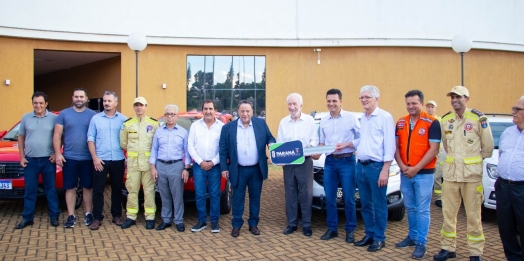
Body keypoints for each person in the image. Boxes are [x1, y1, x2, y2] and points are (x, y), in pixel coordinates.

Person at [433, 86, 494, 261]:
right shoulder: (446, 120)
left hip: (471, 177)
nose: (454, 100)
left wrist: (471, 161)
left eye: (458, 97)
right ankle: (447, 248)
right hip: (451, 176)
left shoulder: (478, 119)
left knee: (474, 215)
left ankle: (475, 253)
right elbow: (446, 145)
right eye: (452, 97)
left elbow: (488, 148)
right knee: (448, 214)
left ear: (467, 98)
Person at [394, 90, 440, 259]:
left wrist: (416, 168)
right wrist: (401, 165)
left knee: (422, 209)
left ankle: (422, 243)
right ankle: (412, 237)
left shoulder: (432, 123)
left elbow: (433, 150)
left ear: (422, 103)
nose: (411, 106)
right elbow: (396, 147)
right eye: (408, 103)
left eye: (414, 103)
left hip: (424, 174)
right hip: (405, 172)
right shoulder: (401, 122)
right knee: (410, 207)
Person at [219, 100, 275, 237]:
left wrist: (273, 145)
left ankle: (253, 224)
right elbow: (223, 149)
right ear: (238, 112)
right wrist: (224, 168)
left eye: (248, 111)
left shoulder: (260, 124)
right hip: (238, 169)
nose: (245, 114)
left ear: (252, 111)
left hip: (256, 169)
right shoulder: (228, 128)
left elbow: (270, 138)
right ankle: (236, 225)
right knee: (237, 198)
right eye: (242, 111)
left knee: (255, 198)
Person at [352, 85, 395, 252]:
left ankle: (379, 238)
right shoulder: (363, 117)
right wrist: (348, 144)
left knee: (379, 204)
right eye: (361, 97)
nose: (363, 100)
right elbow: (363, 141)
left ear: (376, 99)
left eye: (367, 97)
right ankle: (369, 234)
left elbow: (389, 146)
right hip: (361, 166)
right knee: (365, 204)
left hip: (376, 168)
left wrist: (385, 170)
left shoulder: (385, 117)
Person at [316, 89, 360, 242]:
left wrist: (348, 144)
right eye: (329, 101)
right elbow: (322, 142)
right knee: (330, 198)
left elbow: (361, 138)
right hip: (330, 162)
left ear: (341, 101)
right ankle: (332, 229)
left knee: (349, 198)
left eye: (334, 101)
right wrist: (316, 152)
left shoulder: (351, 118)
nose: (331, 104)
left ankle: (350, 230)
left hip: (347, 161)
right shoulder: (323, 120)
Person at [15, 91, 60, 229]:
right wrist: (22, 156)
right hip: (30, 161)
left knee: (50, 189)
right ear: (32, 103)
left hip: (48, 160)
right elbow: (21, 137)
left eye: (41, 103)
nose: (38, 105)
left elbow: (60, 136)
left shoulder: (54, 118)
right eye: (35, 103)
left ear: (46, 103)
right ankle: (28, 218)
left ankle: (54, 216)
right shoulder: (26, 118)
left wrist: (56, 152)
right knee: (30, 190)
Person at [53, 88, 96, 228]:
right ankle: (71, 216)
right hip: (69, 158)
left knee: (87, 187)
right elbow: (57, 135)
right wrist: (58, 153)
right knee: (70, 187)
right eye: (76, 96)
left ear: (86, 98)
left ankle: (88, 214)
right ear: (72, 97)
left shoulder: (92, 115)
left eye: (81, 97)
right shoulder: (64, 114)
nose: (79, 99)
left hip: (87, 158)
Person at [277, 93, 318, 237]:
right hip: (288, 164)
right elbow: (280, 142)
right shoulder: (283, 122)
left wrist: (306, 148)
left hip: (304, 162)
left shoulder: (309, 121)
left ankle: (306, 224)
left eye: (295, 104)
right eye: (290, 104)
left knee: (306, 193)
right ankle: (292, 223)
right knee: (290, 193)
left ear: (301, 106)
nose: (292, 107)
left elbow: (314, 140)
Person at [87, 91, 127, 230]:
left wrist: (127, 158)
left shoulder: (123, 119)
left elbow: (128, 140)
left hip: (118, 159)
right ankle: (97, 217)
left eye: (109, 101)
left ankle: (116, 215)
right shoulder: (95, 119)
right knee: (98, 189)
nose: (106, 103)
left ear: (116, 103)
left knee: (117, 189)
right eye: (104, 101)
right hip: (100, 160)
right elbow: (90, 139)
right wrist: (95, 158)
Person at [119, 97, 159, 230]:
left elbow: (157, 144)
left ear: (146, 106)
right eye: (136, 105)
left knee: (149, 191)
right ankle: (131, 217)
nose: (139, 108)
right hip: (133, 164)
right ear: (134, 107)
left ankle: (150, 217)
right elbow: (123, 143)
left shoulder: (154, 124)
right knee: (132, 191)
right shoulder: (128, 124)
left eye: (141, 105)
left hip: (148, 164)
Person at [150, 104, 191, 232]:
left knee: (177, 195)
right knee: (164, 195)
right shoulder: (159, 131)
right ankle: (166, 220)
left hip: (176, 166)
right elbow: (154, 150)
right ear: (164, 116)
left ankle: (178, 221)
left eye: (172, 114)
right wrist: (153, 167)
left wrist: (186, 169)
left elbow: (187, 152)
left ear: (177, 116)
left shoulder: (183, 132)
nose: (170, 117)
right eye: (167, 114)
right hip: (161, 165)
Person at [188, 100, 224, 233]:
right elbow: (190, 145)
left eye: (210, 109)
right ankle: (202, 221)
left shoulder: (221, 127)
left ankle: (214, 222)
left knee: (215, 194)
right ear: (201, 111)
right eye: (205, 109)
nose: (208, 111)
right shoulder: (195, 126)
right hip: (199, 165)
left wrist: (213, 162)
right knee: (200, 194)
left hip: (215, 165)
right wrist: (200, 161)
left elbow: (224, 148)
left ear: (215, 110)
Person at [495, 96, 524, 261]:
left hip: (522, 189)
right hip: (504, 188)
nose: (512, 112)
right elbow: (501, 156)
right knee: (506, 229)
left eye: (517, 109)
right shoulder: (508, 132)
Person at [426, 100, 445, 208]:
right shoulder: (423, 120)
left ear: (436, 109)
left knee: (437, 175)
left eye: (432, 107)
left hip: (438, 152)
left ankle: (439, 197)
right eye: (428, 107)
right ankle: (426, 197)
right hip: (425, 152)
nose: (430, 109)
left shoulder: (440, 121)